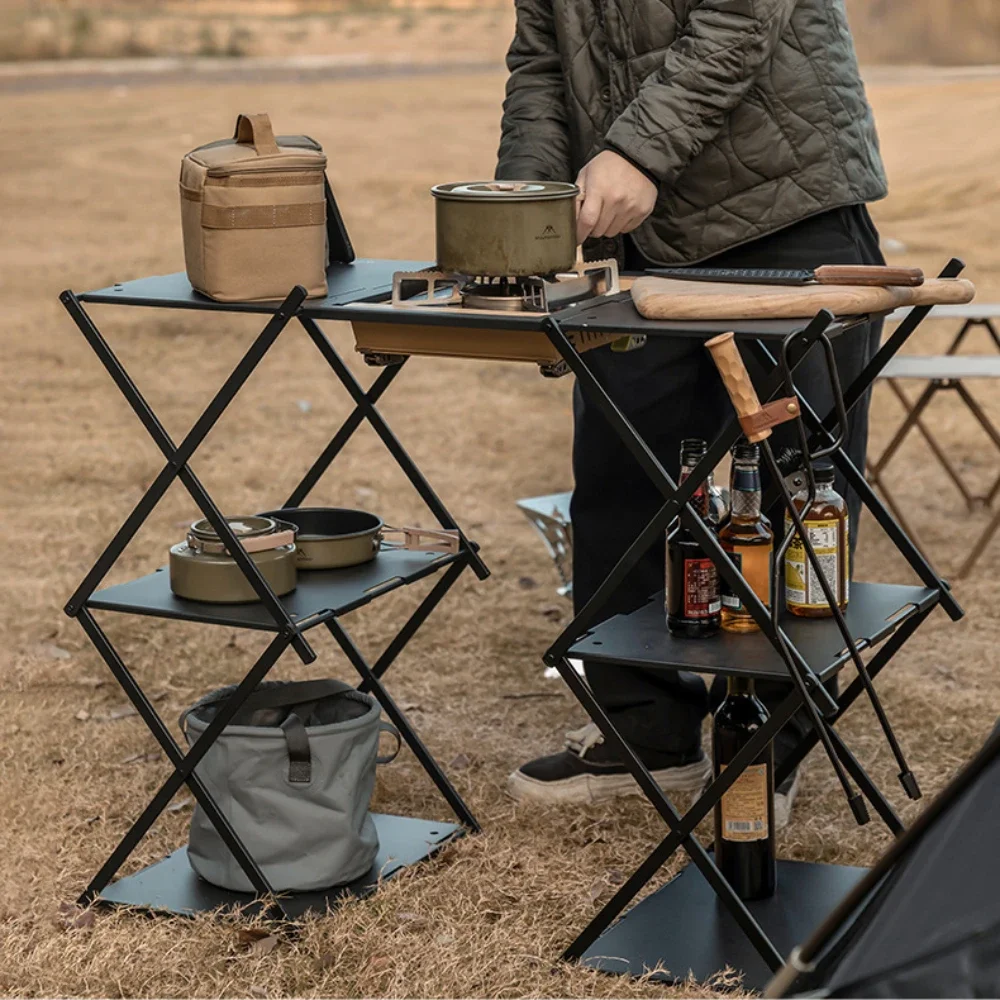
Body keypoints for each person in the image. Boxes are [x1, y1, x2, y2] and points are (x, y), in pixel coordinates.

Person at [497, 0, 887, 824]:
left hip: (788, 205)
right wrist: (525, 204)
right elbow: (540, 62)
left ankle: (772, 741)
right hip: (649, 247)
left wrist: (636, 152)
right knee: (620, 479)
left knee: (797, 490)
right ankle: (646, 728)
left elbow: (741, 20)